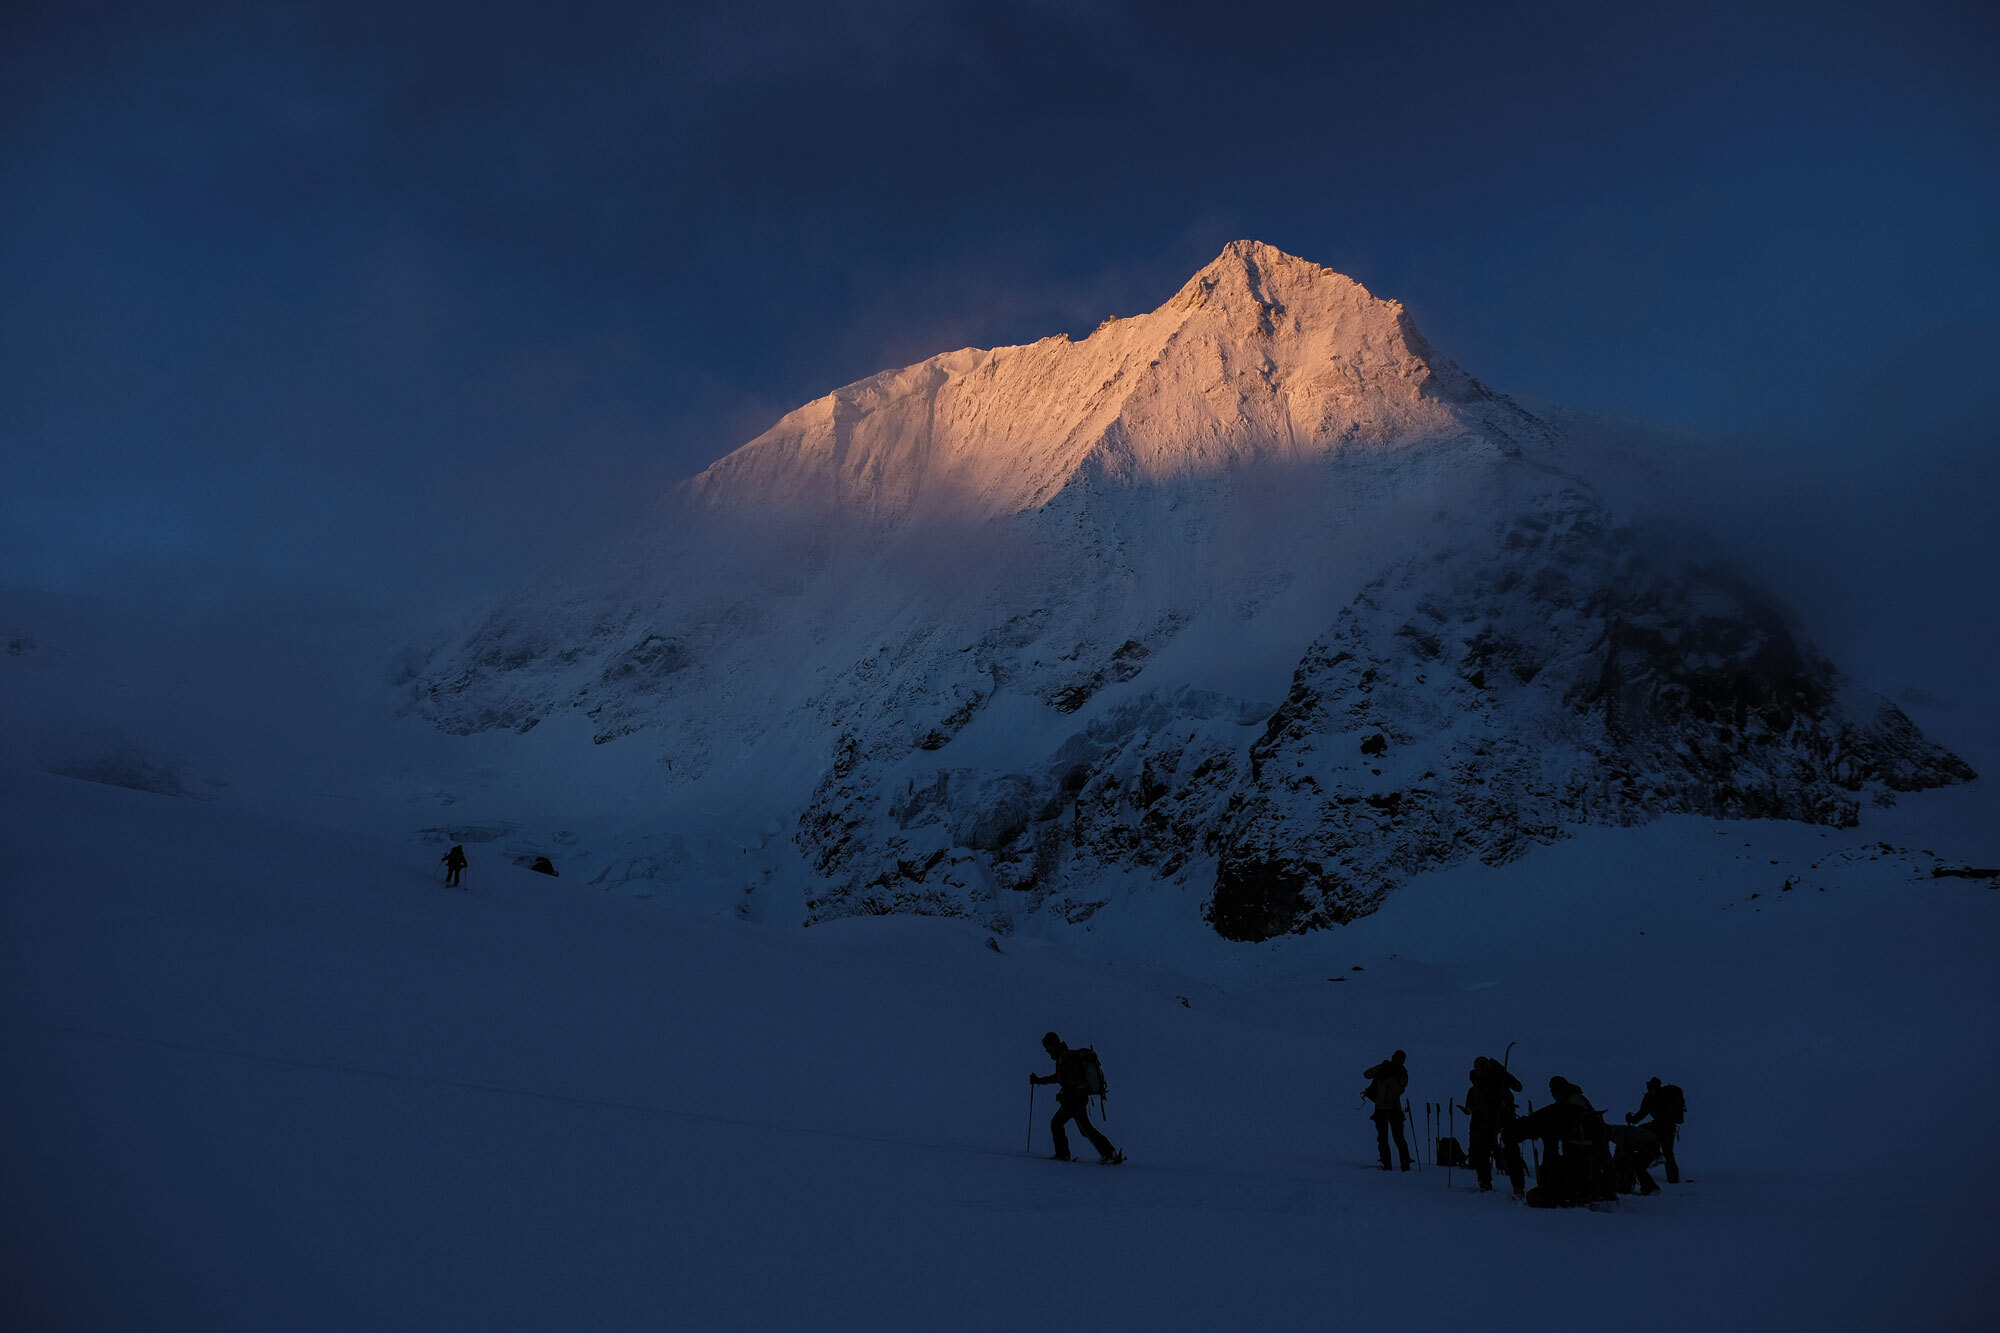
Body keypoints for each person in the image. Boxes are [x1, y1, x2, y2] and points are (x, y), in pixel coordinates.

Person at [1030, 1032, 1123, 1164]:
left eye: (1047, 1047)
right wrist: (1039, 1080)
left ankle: (1064, 1154)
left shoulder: (1065, 1058)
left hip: (1074, 1100)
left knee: (1059, 1124)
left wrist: (1065, 1093)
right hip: (1075, 1099)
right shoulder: (1063, 1057)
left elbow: (1074, 1081)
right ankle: (1108, 1152)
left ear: (1053, 1045)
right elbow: (1058, 1077)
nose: (1046, 1051)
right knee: (1083, 1128)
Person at [1462, 1055, 1525, 1194]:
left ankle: (1518, 1185)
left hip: (1504, 1116)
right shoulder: (1477, 1083)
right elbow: (1478, 1102)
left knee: (1510, 1149)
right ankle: (1485, 1181)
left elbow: (1518, 1087)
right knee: (1482, 1150)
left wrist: (1504, 1075)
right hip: (1487, 1119)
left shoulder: (1499, 1077)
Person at [1361, 1050, 1413, 1171]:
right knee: (1382, 1139)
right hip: (1380, 1109)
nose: (1398, 1061)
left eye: (1400, 1059)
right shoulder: (1384, 1067)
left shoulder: (1402, 1073)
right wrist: (1380, 1069)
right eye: (1396, 1058)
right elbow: (1366, 1074)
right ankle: (1386, 1164)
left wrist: (1389, 1077)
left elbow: (1398, 1090)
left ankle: (1405, 1165)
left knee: (1398, 1138)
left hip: (1393, 1109)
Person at [1627, 1077, 1684, 1183]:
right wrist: (1633, 1119)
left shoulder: (1655, 1097)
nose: (1650, 1090)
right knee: (1668, 1153)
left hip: (1663, 1128)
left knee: (1665, 1153)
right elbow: (1642, 1113)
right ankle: (1673, 1178)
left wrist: (1632, 1120)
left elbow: (1642, 1113)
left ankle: (1669, 1176)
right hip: (1665, 1127)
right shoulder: (1656, 1097)